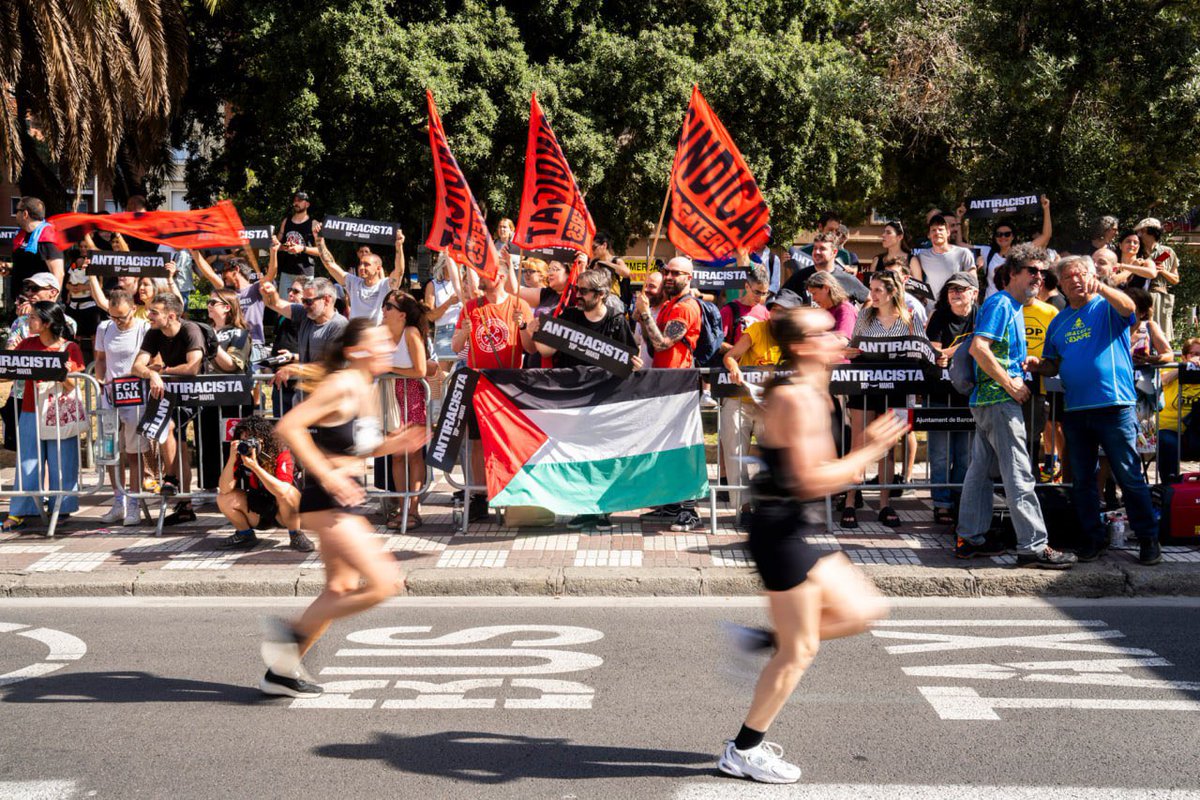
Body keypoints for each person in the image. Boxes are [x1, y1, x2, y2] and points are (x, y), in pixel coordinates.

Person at [717, 306, 900, 785]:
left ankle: (762, 639)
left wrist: (857, 455)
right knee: (799, 651)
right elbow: (807, 480)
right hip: (780, 531)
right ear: (801, 347)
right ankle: (743, 750)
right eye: (826, 334)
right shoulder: (797, 397)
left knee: (861, 611)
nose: (838, 339)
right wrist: (868, 451)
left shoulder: (815, 391)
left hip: (797, 526)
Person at [263, 318, 427, 698]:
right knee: (386, 583)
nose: (388, 347)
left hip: (344, 496)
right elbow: (289, 426)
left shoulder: (366, 386)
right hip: (328, 497)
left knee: (340, 589)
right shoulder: (342, 383)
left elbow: (355, 445)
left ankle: (281, 673)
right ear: (355, 351)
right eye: (379, 342)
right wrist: (328, 474)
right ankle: (290, 636)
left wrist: (393, 444)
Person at [955, 244, 1076, 568]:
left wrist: (1025, 366)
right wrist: (1010, 383)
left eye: (1042, 272)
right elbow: (979, 348)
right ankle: (1033, 546)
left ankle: (970, 538)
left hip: (989, 401)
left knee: (980, 472)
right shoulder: (1002, 303)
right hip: (999, 400)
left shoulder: (1012, 306)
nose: (1039, 277)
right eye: (1032, 271)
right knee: (1019, 473)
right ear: (1012, 274)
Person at [1038, 255, 1161, 566]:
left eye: (1080, 274)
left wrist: (1103, 288)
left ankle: (1149, 539)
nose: (1075, 280)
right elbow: (1052, 364)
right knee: (1082, 480)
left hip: (1114, 406)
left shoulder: (1107, 306)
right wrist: (1037, 365)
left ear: (1091, 275)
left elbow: (1129, 308)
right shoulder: (1058, 322)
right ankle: (1093, 539)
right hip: (1076, 410)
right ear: (1061, 285)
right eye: (1068, 277)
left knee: (1129, 476)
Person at [529, 268, 641, 530]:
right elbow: (546, 351)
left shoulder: (616, 320)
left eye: (584, 291)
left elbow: (631, 359)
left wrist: (635, 365)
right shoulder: (569, 316)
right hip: (574, 397)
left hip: (604, 400)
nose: (578, 295)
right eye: (577, 289)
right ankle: (583, 509)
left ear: (601, 294)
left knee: (603, 455)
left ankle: (602, 510)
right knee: (578, 455)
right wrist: (533, 331)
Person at [452, 258, 536, 521]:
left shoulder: (519, 305)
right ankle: (479, 497)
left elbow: (530, 348)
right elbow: (455, 347)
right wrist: (464, 333)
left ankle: (509, 492)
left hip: (508, 385)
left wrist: (523, 326)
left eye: (485, 273)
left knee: (507, 442)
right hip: (478, 386)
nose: (481, 278)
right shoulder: (471, 307)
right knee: (477, 443)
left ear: (500, 277)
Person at [841, 272, 919, 529]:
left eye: (877, 290)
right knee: (859, 443)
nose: (872, 295)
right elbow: (853, 347)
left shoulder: (909, 317)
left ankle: (885, 504)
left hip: (895, 387)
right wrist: (850, 351)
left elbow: (921, 350)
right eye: (871, 289)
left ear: (892, 292)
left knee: (887, 446)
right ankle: (850, 500)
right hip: (864, 385)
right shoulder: (865, 315)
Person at [634, 257, 704, 531]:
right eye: (667, 272)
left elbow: (663, 342)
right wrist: (643, 316)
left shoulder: (686, 307)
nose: (670, 276)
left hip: (680, 385)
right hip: (663, 384)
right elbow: (652, 345)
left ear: (689, 277)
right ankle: (672, 503)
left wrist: (645, 315)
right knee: (667, 447)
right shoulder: (668, 305)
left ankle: (690, 510)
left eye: (676, 273)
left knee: (682, 447)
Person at [2, 303, 85, 531]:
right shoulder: (27, 344)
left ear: (47, 323)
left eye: (33, 318)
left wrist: (62, 372)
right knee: (27, 461)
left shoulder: (70, 348)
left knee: (63, 461)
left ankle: (62, 508)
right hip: (30, 409)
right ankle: (20, 510)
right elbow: (8, 370)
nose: (28, 321)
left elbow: (73, 385)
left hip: (60, 411)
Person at [720, 290, 800, 515]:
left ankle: (770, 505)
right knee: (735, 454)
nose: (776, 315)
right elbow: (729, 356)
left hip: (773, 407)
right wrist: (734, 367)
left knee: (777, 456)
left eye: (782, 311)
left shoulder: (797, 339)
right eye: (773, 309)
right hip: (740, 401)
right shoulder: (757, 328)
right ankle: (743, 508)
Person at [130, 293, 206, 525]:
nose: (148, 316)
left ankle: (171, 478)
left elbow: (193, 367)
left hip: (199, 394)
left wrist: (161, 372)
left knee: (170, 428)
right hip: (172, 394)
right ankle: (185, 505)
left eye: (154, 312)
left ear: (171, 316)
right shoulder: (154, 332)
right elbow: (136, 366)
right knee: (177, 444)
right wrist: (151, 373)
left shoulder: (190, 330)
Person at [925, 271, 979, 524]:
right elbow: (934, 352)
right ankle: (942, 503)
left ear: (974, 293)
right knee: (940, 455)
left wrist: (953, 351)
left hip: (970, 397)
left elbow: (985, 346)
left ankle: (961, 501)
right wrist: (967, 346)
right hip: (940, 395)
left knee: (966, 456)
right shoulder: (939, 316)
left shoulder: (982, 315)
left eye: (961, 289)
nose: (955, 293)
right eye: (951, 289)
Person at [95, 289, 151, 526]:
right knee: (110, 450)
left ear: (134, 309)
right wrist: (100, 381)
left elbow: (153, 360)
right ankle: (118, 501)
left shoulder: (144, 328)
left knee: (134, 451)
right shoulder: (104, 328)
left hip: (135, 396)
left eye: (122, 316)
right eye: (113, 316)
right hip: (109, 395)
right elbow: (100, 359)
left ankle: (134, 503)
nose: (117, 321)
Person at [216, 415, 311, 552]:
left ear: (263, 438)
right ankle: (245, 535)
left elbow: (283, 490)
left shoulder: (281, 450)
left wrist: (255, 467)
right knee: (224, 498)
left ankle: (296, 534)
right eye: (243, 440)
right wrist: (232, 459)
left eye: (251, 440)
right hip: (259, 509)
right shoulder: (242, 454)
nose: (248, 445)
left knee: (289, 493)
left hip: (285, 513)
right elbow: (225, 488)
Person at [382, 290, 432, 531]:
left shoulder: (411, 333)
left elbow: (420, 370)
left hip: (411, 394)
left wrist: (389, 369)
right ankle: (402, 508)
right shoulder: (381, 333)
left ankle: (413, 508)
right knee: (396, 455)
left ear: (402, 314)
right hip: (389, 396)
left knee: (413, 454)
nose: (383, 310)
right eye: (384, 305)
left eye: (388, 306)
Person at [195, 287, 254, 491]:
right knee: (207, 443)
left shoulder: (240, 333)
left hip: (233, 399)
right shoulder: (203, 331)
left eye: (213, 303)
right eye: (208, 302)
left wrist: (213, 343)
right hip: (206, 396)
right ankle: (209, 487)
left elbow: (232, 365)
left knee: (232, 445)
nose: (208, 306)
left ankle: (236, 488)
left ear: (227, 307)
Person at [262, 277, 349, 388]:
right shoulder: (305, 314)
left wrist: (294, 369)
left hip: (328, 393)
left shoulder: (339, 325)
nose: (304, 305)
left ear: (327, 300)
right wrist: (269, 293)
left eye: (308, 301)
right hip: (304, 393)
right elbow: (275, 303)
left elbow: (331, 365)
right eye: (303, 301)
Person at [316, 225, 405, 323]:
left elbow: (399, 271)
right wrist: (319, 241)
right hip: (354, 332)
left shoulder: (385, 285)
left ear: (378, 268)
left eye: (366, 264)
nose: (361, 267)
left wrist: (399, 246)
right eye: (360, 264)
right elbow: (330, 265)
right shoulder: (353, 282)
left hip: (377, 332)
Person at [192, 249, 273, 357]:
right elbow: (210, 274)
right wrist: (194, 252)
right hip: (232, 343)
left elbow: (271, 274)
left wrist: (273, 252)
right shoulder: (228, 293)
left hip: (254, 344)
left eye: (224, 271)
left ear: (236, 269)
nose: (222, 275)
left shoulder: (256, 289)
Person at [977, 197, 1053, 298]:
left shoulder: (1021, 251)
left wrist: (1046, 209)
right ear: (995, 237)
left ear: (1013, 236)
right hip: (993, 302)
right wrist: (959, 219)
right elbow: (961, 245)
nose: (1003, 237)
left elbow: (1046, 236)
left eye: (1007, 234)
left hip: (1016, 301)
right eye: (999, 234)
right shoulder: (987, 252)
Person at [1157, 338, 1200, 486]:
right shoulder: (1173, 370)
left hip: (1197, 432)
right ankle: (1170, 488)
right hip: (1172, 431)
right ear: (1184, 356)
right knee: (1167, 442)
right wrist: (1184, 368)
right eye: (1194, 354)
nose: (1197, 358)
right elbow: (1162, 380)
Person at [781, 233, 868, 304]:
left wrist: (861, 318)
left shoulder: (846, 279)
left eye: (822, 249)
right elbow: (783, 298)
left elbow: (869, 299)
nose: (817, 252)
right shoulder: (800, 276)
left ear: (834, 252)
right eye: (815, 248)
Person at [909, 214, 975, 302]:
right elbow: (916, 283)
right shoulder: (921, 256)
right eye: (933, 230)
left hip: (955, 306)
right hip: (931, 308)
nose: (937, 232)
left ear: (948, 232)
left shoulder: (963, 253)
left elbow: (973, 282)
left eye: (940, 229)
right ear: (929, 235)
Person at [1134, 218, 1180, 343]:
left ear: (1150, 231)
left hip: (1160, 297)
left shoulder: (1168, 252)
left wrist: (1162, 271)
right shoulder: (1135, 251)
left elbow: (1175, 279)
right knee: (1139, 335)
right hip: (1139, 296)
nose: (1139, 234)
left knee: (1161, 335)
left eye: (1142, 231)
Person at [8, 197, 64, 292]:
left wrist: (52, 298)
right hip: (21, 297)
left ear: (25, 214)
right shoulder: (23, 235)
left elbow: (58, 273)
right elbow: (29, 266)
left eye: (16, 210)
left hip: (39, 299)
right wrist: (10, 269)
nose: (15, 214)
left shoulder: (47, 236)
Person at [8, 273, 77, 345]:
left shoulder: (68, 322)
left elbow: (62, 349)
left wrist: (24, 345)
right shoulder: (21, 321)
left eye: (35, 288)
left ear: (53, 292)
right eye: (27, 288)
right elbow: (11, 349)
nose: (29, 293)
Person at [276, 191, 320, 295]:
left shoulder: (313, 224)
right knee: (284, 304)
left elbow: (320, 251)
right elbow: (276, 245)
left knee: (304, 304)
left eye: (300, 200)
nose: (296, 203)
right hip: (286, 272)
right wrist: (283, 247)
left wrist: (302, 248)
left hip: (305, 274)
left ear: (307, 204)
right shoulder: (286, 221)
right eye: (295, 200)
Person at [424, 252, 463, 360]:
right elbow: (430, 316)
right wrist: (449, 303)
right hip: (444, 331)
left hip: (463, 331)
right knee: (444, 369)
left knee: (464, 368)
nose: (457, 266)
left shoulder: (463, 283)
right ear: (444, 265)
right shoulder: (433, 285)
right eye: (453, 262)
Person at [632, 270, 664, 367]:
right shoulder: (642, 311)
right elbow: (637, 342)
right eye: (645, 285)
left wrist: (645, 315)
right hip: (643, 372)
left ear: (663, 290)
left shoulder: (667, 313)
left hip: (660, 372)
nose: (646, 290)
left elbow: (658, 347)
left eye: (652, 286)